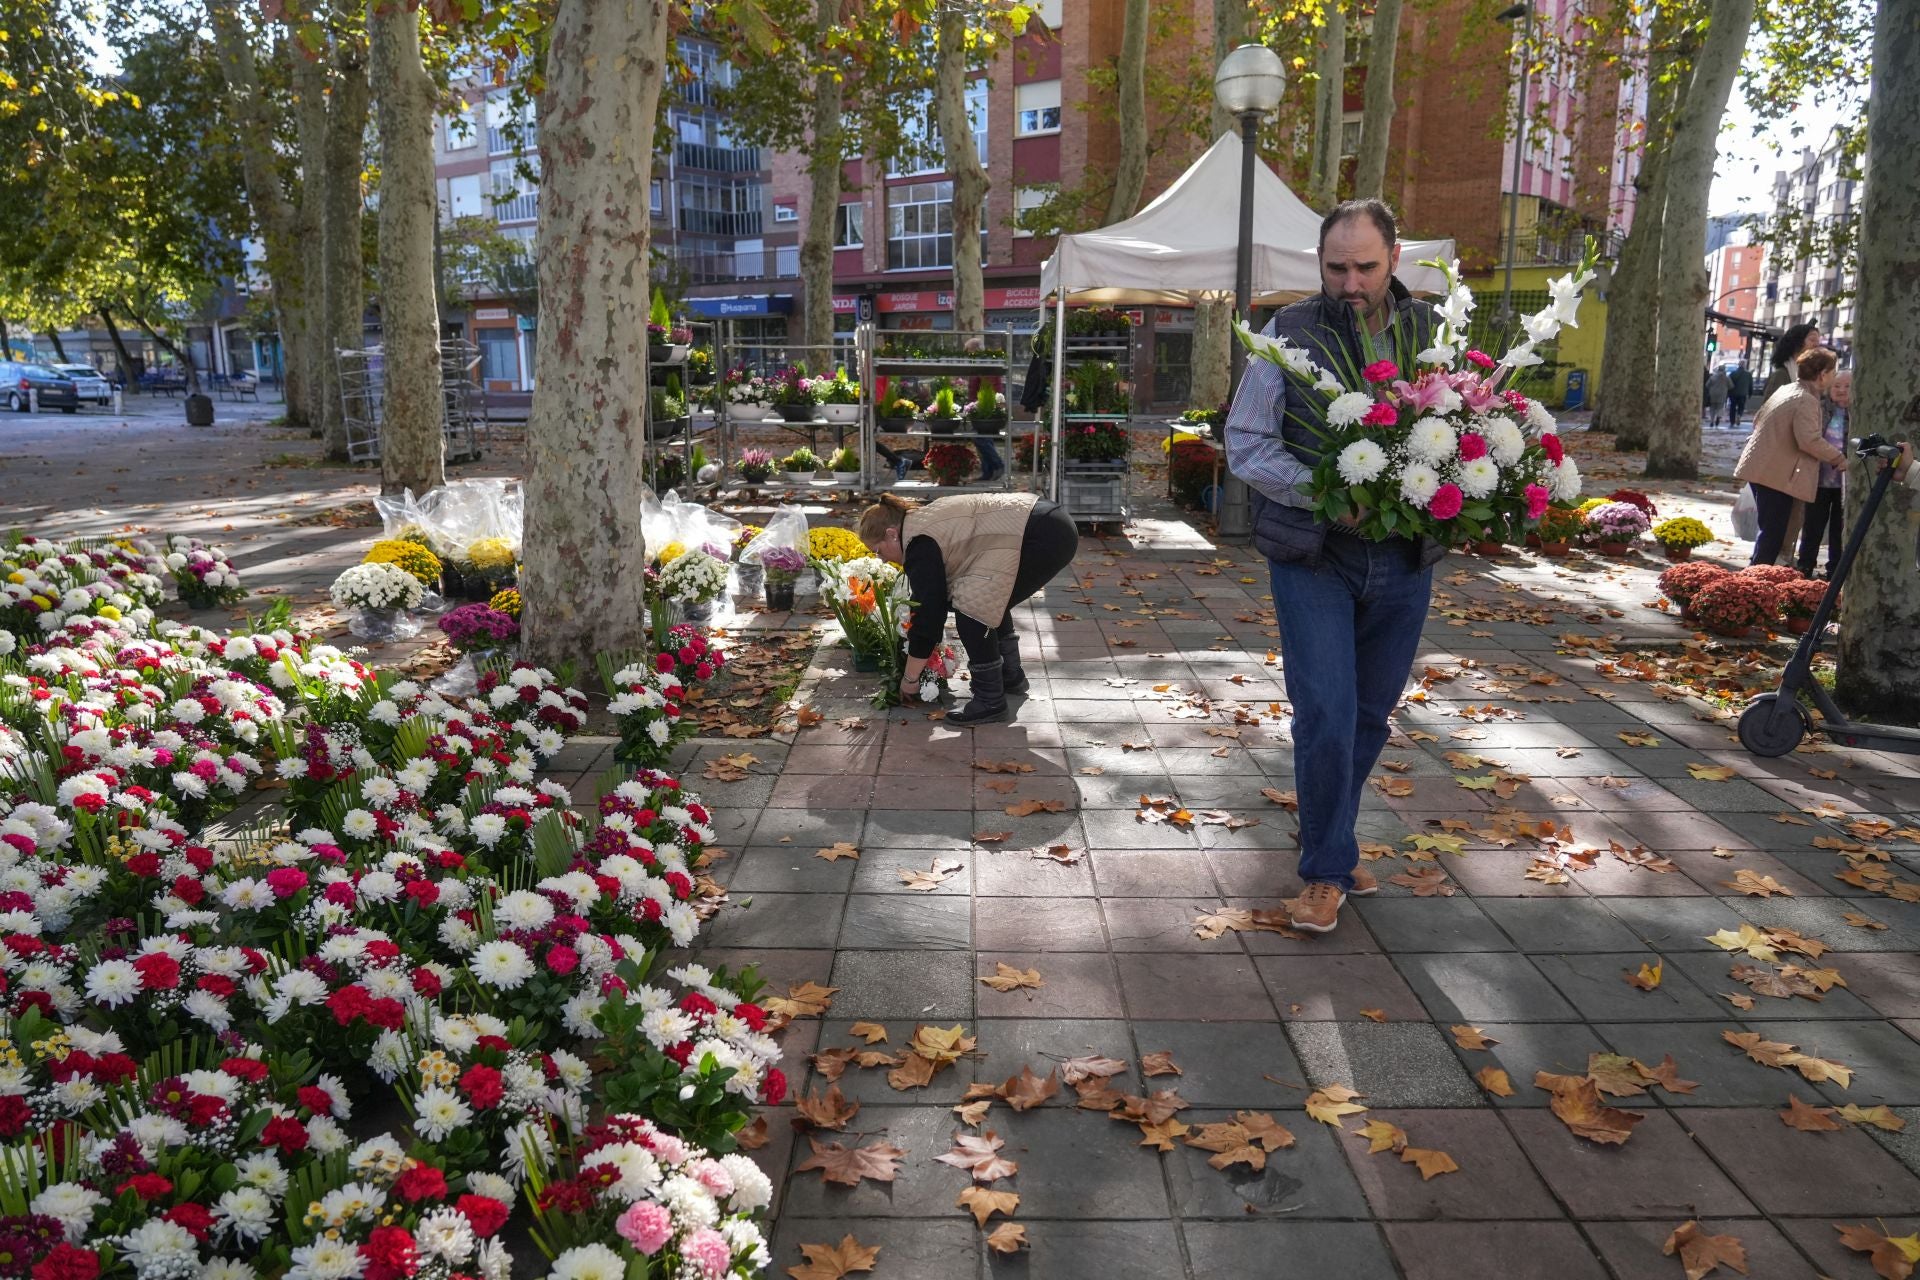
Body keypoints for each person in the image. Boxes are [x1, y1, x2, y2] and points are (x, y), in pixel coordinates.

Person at [1223, 197, 1442, 935]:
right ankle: (1323, 871)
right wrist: (1327, 497)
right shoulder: (1285, 334)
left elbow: (1463, 428)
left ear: (1396, 258)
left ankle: (1334, 844)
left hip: (1406, 559)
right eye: (1336, 267)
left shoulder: (1431, 335)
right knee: (1324, 714)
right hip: (1315, 554)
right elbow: (1247, 442)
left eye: (1366, 267)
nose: (1351, 282)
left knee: (1369, 716)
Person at [858, 491, 1079, 724]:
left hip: (1043, 534)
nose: (881, 559)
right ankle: (1010, 676)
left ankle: (990, 700)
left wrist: (910, 678)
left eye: (878, 551)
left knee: (973, 610)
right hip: (1049, 521)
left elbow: (928, 615)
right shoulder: (919, 522)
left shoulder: (918, 542)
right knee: (989, 596)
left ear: (892, 534)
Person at [1735, 347, 1844, 568]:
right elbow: (1809, 440)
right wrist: (1838, 458)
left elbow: (1758, 420)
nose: (1834, 377)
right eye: (1833, 372)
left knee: (1771, 533)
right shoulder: (1807, 400)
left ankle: (1757, 580)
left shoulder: (1787, 390)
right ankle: (1756, 584)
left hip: (1765, 471)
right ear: (1822, 374)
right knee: (1773, 535)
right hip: (1775, 476)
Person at [1796, 370, 1851, 578]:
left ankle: (1834, 572)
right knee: (1812, 527)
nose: (1841, 390)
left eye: (1847, 386)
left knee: (1840, 529)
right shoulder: (1819, 408)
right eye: (1837, 386)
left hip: (1845, 483)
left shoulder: (1859, 412)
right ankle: (1805, 567)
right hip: (1818, 479)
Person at [963, 337, 1007, 482]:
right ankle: (987, 472)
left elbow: (991, 386)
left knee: (981, 438)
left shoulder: (986, 363)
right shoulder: (978, 363)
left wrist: (988, 405)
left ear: (975, 349)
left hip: (986, 406)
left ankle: (998, 465)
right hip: (979, 405)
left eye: (968, 351)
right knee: (982, 439)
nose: (967, 354)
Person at [1760, 322, 1821, 404]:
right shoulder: (1781, 375)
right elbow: (1770, 411)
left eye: (1818, 341)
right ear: (1797, 342)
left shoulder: (1813, 375)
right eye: (1812, 340)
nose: (1816, 344)